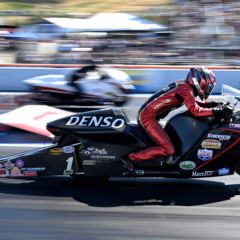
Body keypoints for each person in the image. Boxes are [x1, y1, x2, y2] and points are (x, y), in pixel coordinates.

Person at [122, 67, 232, 173]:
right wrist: (215, 111)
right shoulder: (186, 89)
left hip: (150, 116)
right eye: (207, 85)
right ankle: (131, 158)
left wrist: (214, 105)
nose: (207, 89)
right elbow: (195, 110)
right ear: (200, 81)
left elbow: (194, 103)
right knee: (168, 149)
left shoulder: (184, 86)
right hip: (148, 118)